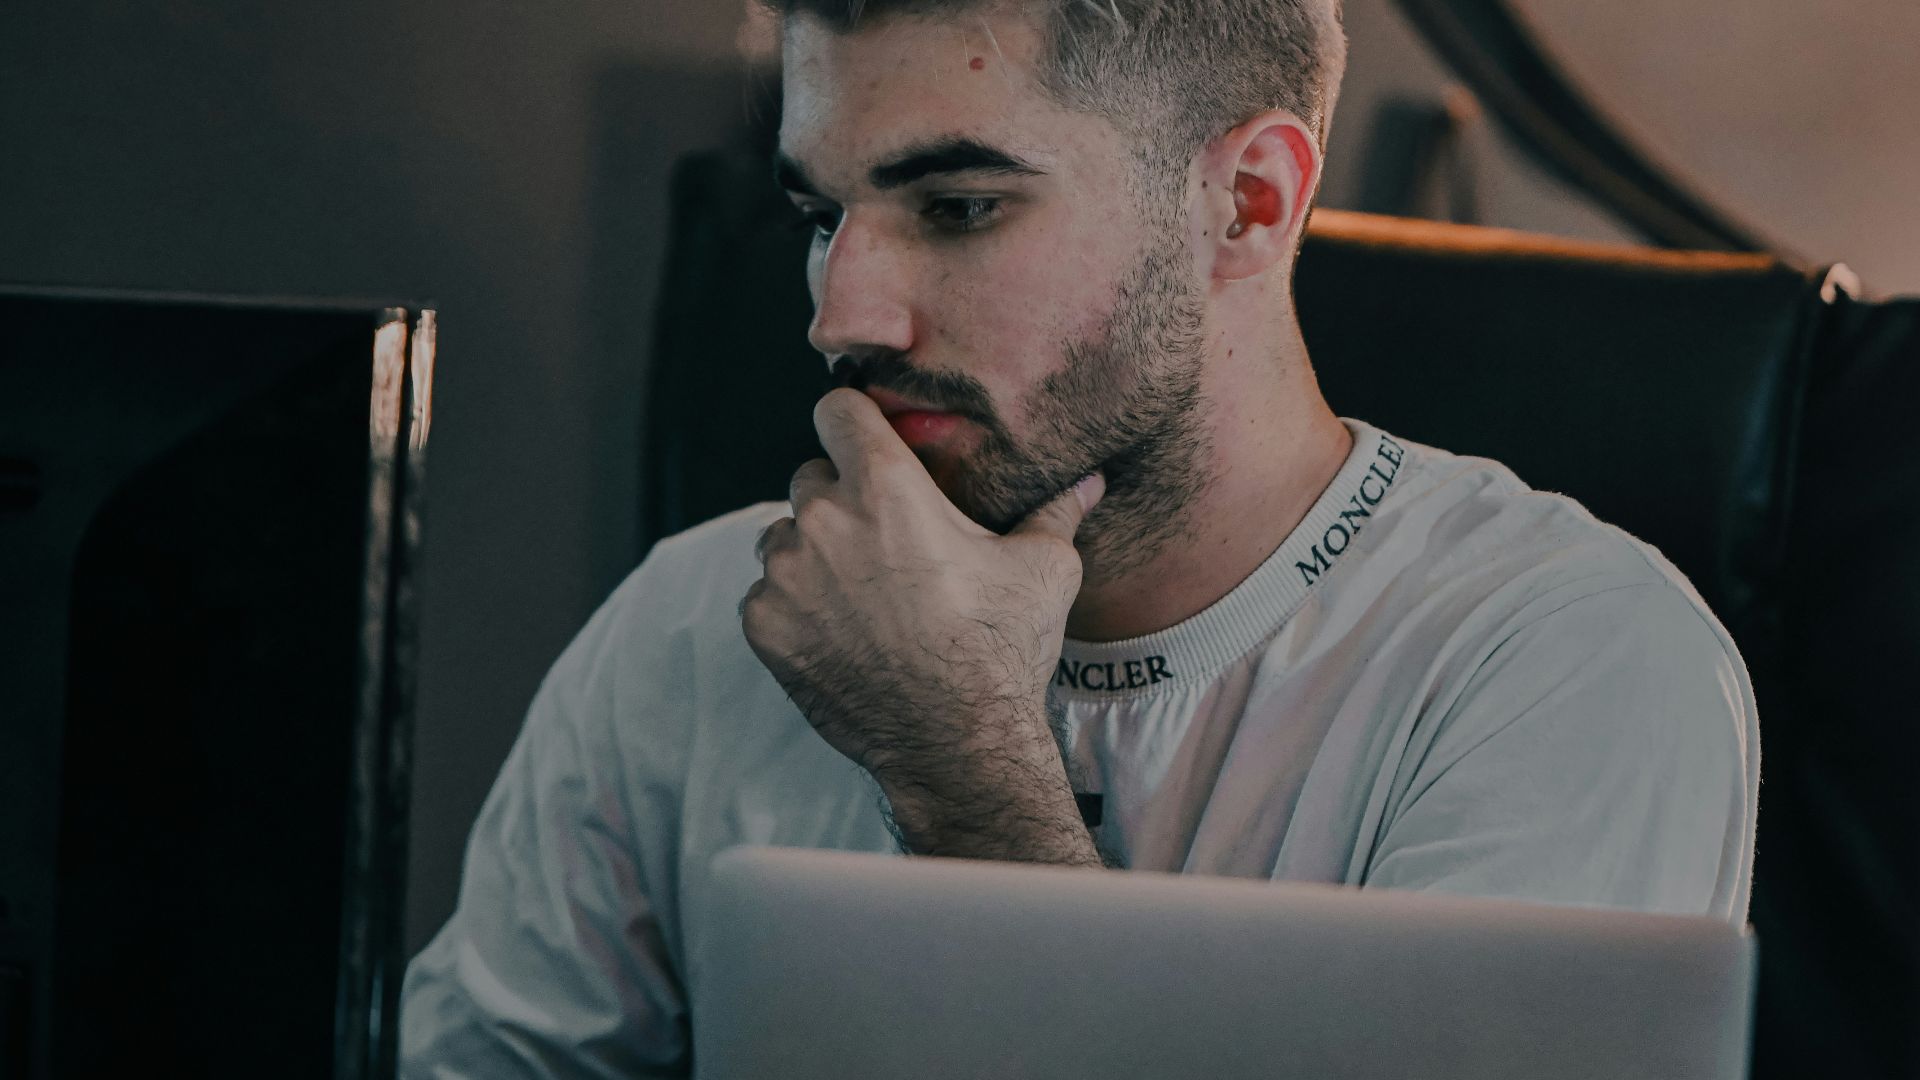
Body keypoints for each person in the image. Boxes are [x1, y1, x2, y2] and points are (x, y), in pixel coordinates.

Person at [400, 0, 1759, 1074]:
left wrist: (963, 773)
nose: (843, 317)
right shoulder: (705, 616)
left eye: (959, 207)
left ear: (1248, 204)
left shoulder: (1567, 668)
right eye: (822, 215)